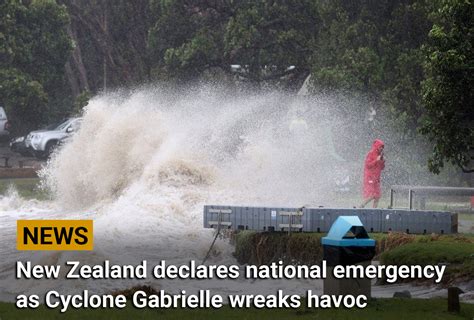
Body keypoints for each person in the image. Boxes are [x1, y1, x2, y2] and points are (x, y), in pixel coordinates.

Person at [360, 139, 385, 208]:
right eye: (380, 147)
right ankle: (361, 206)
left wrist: (382, 161)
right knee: (372, 195)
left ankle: (374, 211)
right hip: (370, 177)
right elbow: (368, 165)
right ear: (377, 146)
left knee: (377, 196)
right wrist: (376, 160)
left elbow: (382, 168)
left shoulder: (380, 155)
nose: (381, 149)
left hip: (376, 179)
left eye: (382, 148)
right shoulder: (370, 154)